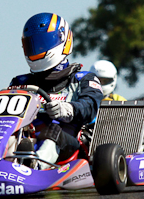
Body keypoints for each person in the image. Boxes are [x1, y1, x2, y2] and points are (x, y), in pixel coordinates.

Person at [9, 12, 103, 167]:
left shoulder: (84, 79)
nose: (37, 49)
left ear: (63, 39)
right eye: (32, 45)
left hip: (69, 142)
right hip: (28, 137)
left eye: (42, 43)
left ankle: (35, 165)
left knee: (53, 132)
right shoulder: (21, 82)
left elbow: (90, 106)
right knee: (6, 134)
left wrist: (68, 109)